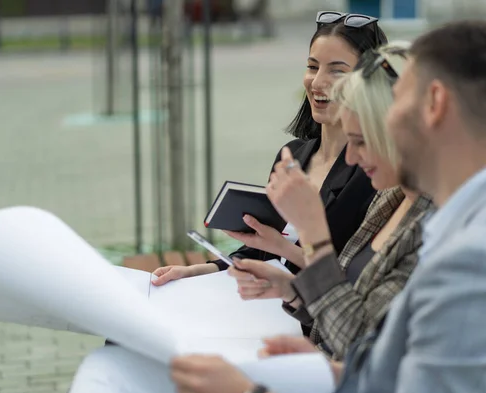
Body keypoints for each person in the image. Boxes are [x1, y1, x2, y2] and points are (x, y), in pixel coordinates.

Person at [166, 20, 486, 393]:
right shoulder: (483, 220)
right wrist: (333, 372)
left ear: (435, 104)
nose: (383, 122)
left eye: (398, 102)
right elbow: (398, 369)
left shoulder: (478, 258)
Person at [228, 42, 433, 361]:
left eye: (360, 141)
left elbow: (361, 347)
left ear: (400, 131)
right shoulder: (392, 196)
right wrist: (293, 291)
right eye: (312, 66)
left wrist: (313, 233)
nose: (350, 156)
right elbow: (348, 310)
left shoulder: (436, 224)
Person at [152, 11, 387, 288]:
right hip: (261, 304)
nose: (317, 81)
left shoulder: (375, 172)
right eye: (312, 67)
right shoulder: (293, 156)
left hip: (313, 320)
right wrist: (196, 271)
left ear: (369, 82)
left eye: (337, 70)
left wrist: (283, 249)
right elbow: (261, 252)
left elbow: (356, 277)